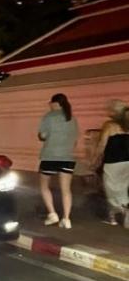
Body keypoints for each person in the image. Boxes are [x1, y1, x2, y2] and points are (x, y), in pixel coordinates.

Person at [37, 93, 79, 229]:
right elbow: (75, 139)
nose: (49, 105)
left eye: (50, 103)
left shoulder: (49, 116)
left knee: (44, 186)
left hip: (50, 156)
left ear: (56, 103)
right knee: (66, 189)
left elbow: (42, 135)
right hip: (67, 157)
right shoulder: (72, 118)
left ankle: (52, 214)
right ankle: (66, 219)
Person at [93, 99, 129, 226]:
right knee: (122, 188)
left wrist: (94, 160)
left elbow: (101, 146)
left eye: (109, 109)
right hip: (127, 163)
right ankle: (122, 213)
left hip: (112, 162)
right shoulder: (127, 126)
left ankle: (115, 215)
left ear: (114, 112)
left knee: (110, 189)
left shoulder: (109, 125)